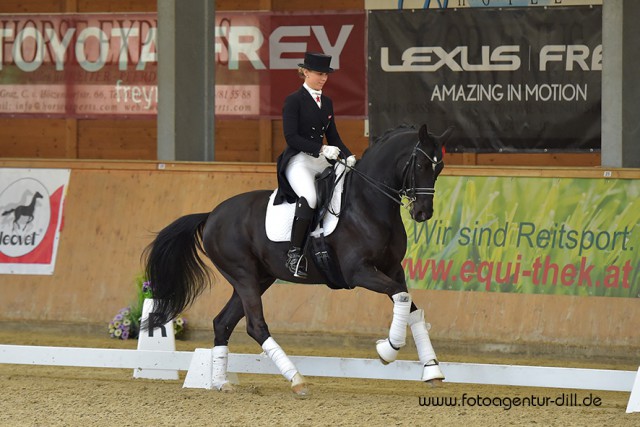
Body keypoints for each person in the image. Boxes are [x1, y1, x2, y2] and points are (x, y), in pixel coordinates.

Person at [274, 52, 356, 278]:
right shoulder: (293, 100)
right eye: (319, 74)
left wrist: (349, 157)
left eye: (326, 75)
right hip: (299, 159)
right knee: (309, 197)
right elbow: (291, 137)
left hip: (320, 159)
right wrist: (321, 149)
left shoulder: (327, 102)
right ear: (306, 72)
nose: (323, 79)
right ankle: (294, 254)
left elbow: (334, 137)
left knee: (344, 187)